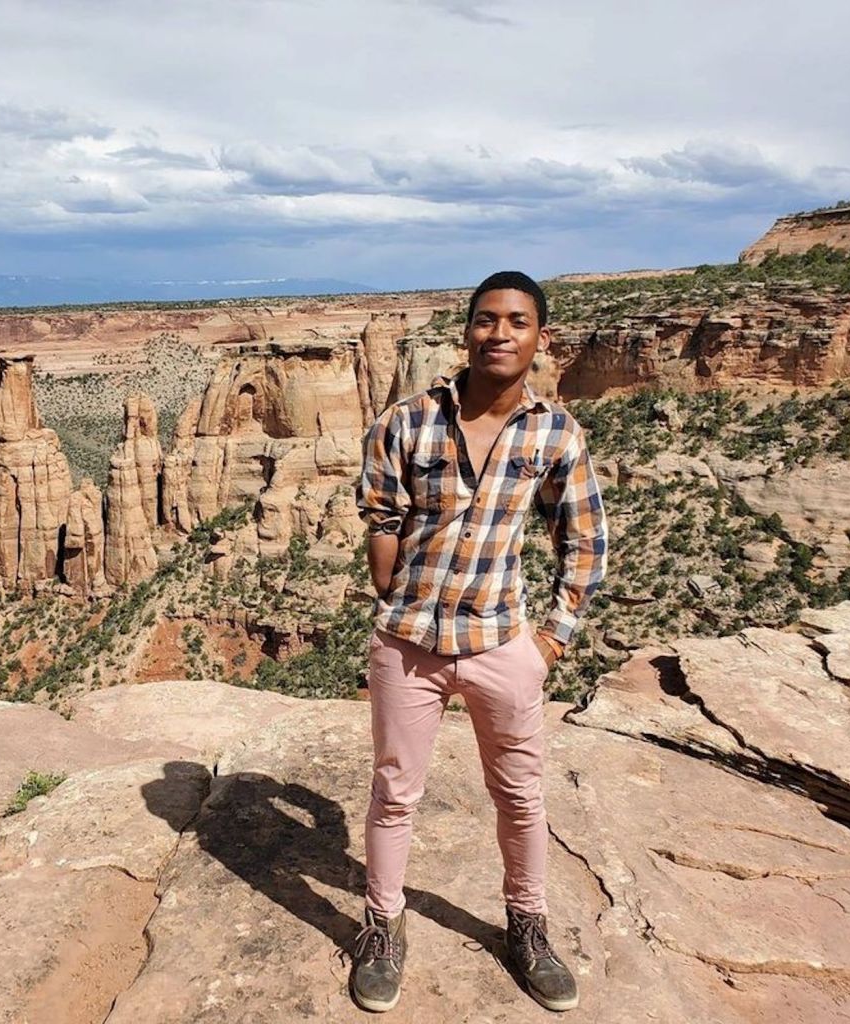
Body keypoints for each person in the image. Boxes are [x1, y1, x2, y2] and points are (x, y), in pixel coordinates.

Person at [351, 270, 607, 1013]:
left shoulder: (554, 431)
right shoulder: (407, 421)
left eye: (517, 322)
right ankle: (381, 927)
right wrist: (395, 598)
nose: (500, 333)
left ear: (539, 338)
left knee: (521, 796)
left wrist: (551, 640)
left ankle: (527, 926)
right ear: (466, 331)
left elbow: (584, 540)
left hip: (503, 643)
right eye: (487, 320)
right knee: (395, 791)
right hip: (409, 644)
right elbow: (382, 518)